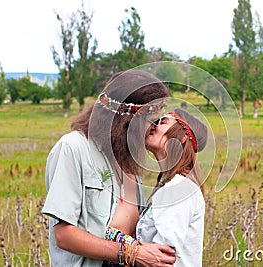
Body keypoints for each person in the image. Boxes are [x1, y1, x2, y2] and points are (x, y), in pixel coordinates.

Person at [42, 69, 176, 267]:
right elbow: (64, 235)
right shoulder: (73, 148)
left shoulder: (125, 157)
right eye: (152, 120)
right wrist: (132, 253)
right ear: (127, 120)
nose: (155, 128)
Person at [104, 108, 207, 267]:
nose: (153, 125)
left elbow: (161, 256)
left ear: (183, 137)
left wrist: (110, 235)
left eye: (162, 122)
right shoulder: (172, 185)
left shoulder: (178, 188)